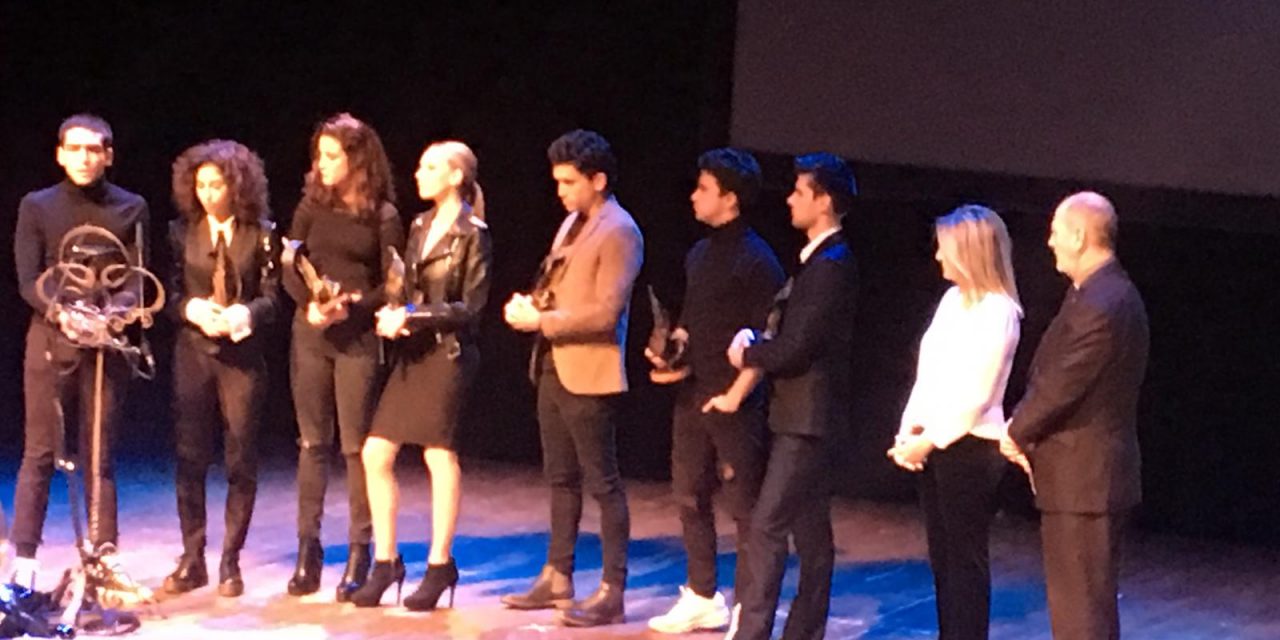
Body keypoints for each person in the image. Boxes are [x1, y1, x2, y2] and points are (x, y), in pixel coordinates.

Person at [501, 129, 643, 627]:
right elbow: (556, 286)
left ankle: (612, 589)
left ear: (597, 180)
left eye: (569, 181)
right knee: (560, 479)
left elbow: (606, 312)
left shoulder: (620, 230)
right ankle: (557, 575)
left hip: (590, 371)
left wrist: (544, 322)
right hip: (554, 365)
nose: (560, 191)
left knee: (603, 483)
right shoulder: (570, 225)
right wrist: (532, 305)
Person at [646, 148, 784, 634]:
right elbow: (692, 323)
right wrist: (670, 353)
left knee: (745, 508)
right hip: (694, 393)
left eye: (704, 188)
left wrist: (738, 393)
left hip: (735, 403)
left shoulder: (758, 260)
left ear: (729, 197)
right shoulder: (700, 254)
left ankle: (750, 609)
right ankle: (704, 595)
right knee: (688, 494)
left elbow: (769, 338)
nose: (694, 195)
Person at [350, 141, 492, 610]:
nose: (419, 173)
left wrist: (412, 313)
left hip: (448, 356)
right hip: (413, 355)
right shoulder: (419, 225)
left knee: (438, 454)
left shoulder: (474, 233)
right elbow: (404, 287)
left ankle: (439, 564)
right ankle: (387, 562)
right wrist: (393, 313)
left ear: (456, 177)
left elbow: (469, 308)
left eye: (430, 166)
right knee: (375, 452)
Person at [1001, 192, 1148, 640]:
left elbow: (1061, 384)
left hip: (1086, 482)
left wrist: (1016, 430)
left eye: (1057, 232)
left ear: (1080, 236)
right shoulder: (1093, 294)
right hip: (1079, 480)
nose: (1049, 242)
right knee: (1079, 612)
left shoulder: (1104, 303)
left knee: (1082, 616)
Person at [11, 114, 150, 589]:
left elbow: (135, 278)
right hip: (51, 343)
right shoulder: (37, 205)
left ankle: (104, 556)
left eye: (94, 150)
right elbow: (29, 279)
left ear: (108, 155)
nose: (84, 158)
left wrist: (116, 314)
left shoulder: (132, 207)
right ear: (60, 154)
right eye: (75, 149)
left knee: (100, 455)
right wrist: (62, 314)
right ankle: (24, 560)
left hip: (104, 347)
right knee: (40, 452)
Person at [726, 152, 859, 640]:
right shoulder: (821, 261)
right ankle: (804, 632)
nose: (790, 199)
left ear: (823, 201)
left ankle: (753, 632)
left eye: (799, 191)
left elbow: (798, 345)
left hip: (808, 419)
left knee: (767, 526)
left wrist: (751, 353)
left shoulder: (831, 265)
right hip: (803, 416)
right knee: (811, 534)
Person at [281, 113, 405, 601]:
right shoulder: (312, 204)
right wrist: (309, 305)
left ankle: (360, 549)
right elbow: (291, 263)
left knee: (356, 447)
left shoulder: (383, 215)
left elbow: (392, 283)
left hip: (355, 339)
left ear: (358, 160)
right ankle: (308, 549)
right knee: (313, 444)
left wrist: (354, 306)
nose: (322, 164)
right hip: (311, 334)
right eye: (320, 155)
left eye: (333, 156)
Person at [887, 204, 1022, 639]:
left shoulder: (998, 311)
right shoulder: (952, 301)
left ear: (969, 252)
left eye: (946, 250)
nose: (939, 258)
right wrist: (910, 429)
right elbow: (929, 373)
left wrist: (929, 442)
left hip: (969, 447)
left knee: (964, 560)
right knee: (942, 558)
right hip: (935, 441)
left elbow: (976, 395)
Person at [162, 139, 280, 598]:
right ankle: (193, 559)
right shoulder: (180, 232)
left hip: (242, 359)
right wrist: (191, 309)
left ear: (238, 186)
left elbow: (274, 296)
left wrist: (246, 314)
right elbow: (166, 293)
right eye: (202, 185)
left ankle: (231, 560)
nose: (209, 194)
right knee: (191, 457)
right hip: (193, 353)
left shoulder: (262, 233)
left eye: (218, 185)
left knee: (240, 458)